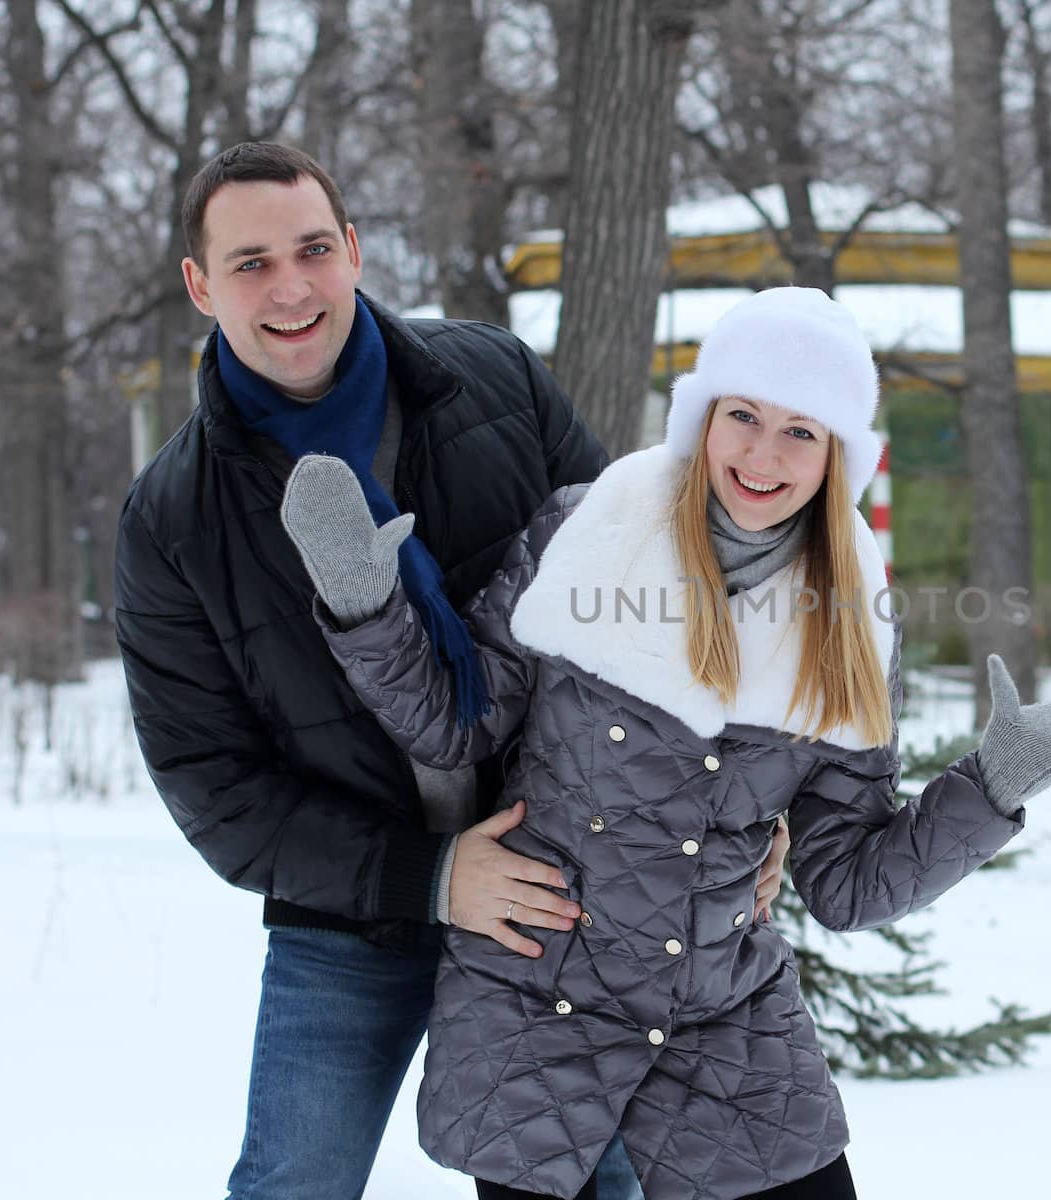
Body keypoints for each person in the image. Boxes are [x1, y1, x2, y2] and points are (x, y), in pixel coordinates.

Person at [281, 286, 1051, 1199]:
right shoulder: (593, 531)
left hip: (724, 1024)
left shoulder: (844, 619)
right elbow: (459, 721)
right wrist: (366, 607)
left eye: (802, 432)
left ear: (839, 455)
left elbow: (844, 883)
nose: (764, 455)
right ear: (706, 417)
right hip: (536, 1008)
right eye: (745, 417)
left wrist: (992, 785)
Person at [113, 141, 786, 1200]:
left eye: (312, 249)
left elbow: (657, 602)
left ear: (354, 252)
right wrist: (432, 877)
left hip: (571, 902)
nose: (290, 287)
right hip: (352, 922)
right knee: (293, 1182)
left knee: (588, 1185)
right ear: (200, 285)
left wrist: (745, 800)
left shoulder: (497, 383)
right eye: (248, 263)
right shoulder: (173, 518)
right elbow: (213, 787)